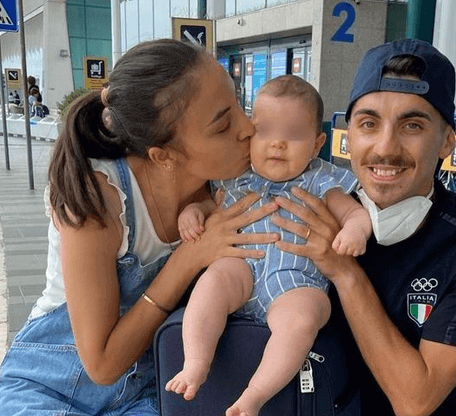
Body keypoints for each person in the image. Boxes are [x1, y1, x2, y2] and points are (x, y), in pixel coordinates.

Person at [0, 38, 279, 415]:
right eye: (224, 124)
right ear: (164, 156)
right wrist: (190, 258)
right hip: (47, 383)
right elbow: (101, 365)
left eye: (240, 104)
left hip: (154, 386)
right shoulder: (100, 193)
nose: (249, 128)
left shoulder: (229, 183)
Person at [271, 39, 456, 416]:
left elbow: (415, 401)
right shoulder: (315, 215)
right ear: (348, 138)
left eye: (412, 125)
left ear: (447, 141)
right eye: (368, 123)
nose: (385, 147)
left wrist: (344, 272)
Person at [165, 75, 372, 416]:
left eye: (293, 135)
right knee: (211, 284)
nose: (277, 144)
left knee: (303, 320)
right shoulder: (235, 174)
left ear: (317, 143)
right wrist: (193, 211)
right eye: (265, 132)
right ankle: (195, 363)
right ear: (248, 132)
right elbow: (212, 205)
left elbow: (355, 213)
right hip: (240, 266)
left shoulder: (323, 179)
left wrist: (354, 231)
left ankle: (255, 394)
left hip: (295, 281)